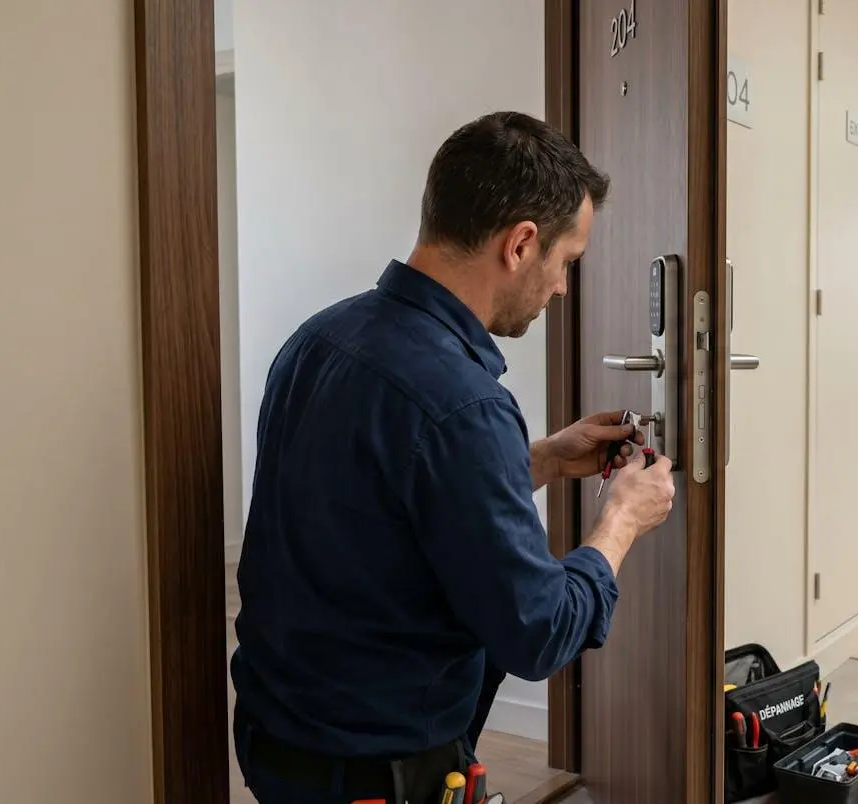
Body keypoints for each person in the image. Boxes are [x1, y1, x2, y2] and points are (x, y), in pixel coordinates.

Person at [230, 110, 676, 804]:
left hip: (277, 740)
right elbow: (538, 633)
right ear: (521, 244)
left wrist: (545, 460)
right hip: (375, 771)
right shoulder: (463, 405)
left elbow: (382, 508)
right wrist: (620, 522)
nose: (563, 288)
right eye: (566, 262)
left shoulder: (318, 340)